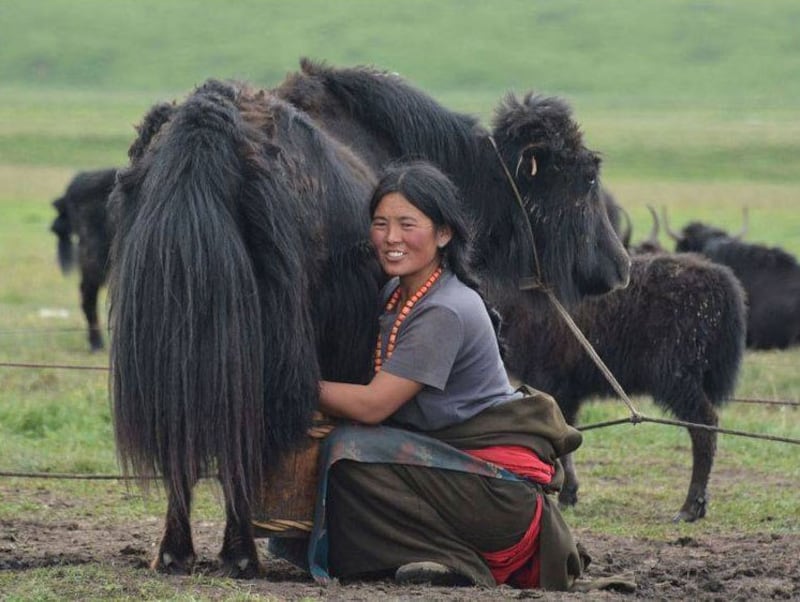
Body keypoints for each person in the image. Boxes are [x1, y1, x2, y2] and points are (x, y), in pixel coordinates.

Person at [310, 161, 587, 590]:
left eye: (407, 224)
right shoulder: (399, 293)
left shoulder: (443, 309)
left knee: (348, 452)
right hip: (465, 476)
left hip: (496, 498)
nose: (391, 238)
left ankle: (448, 556)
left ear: (444, 233)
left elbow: (374, 405)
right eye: (380, 224)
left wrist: (296, 385)